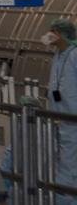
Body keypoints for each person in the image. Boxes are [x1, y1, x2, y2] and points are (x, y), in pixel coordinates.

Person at [44, 19, 77, 204]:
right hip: (59, 117)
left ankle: (65, 200)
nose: (49, 34)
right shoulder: (58, 55)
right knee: (63, 162)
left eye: (53, 31)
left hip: (72, 119)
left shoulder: (75, 54)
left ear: (62, 34)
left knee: (69, 164)